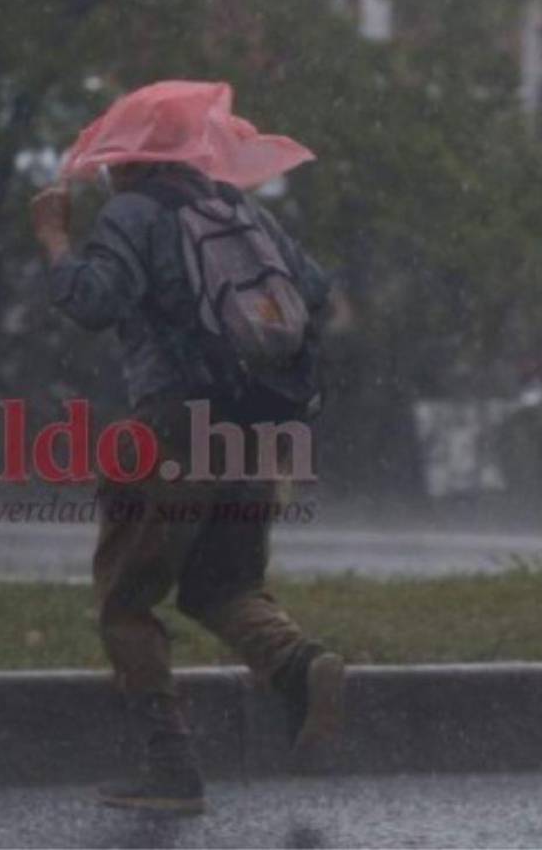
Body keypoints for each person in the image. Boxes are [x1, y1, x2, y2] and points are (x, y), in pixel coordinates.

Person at [29, 82, 343, 814]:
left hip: (172, 426)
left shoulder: (133, 214)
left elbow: (91, 302)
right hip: (260, 429)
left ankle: (170, 768)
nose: (108, 172)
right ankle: (300, 665)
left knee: (127, 597)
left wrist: (53, 241)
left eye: (115, 160)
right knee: (224, 585)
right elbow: (316, 293)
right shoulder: (241, 210)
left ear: (132, 162)